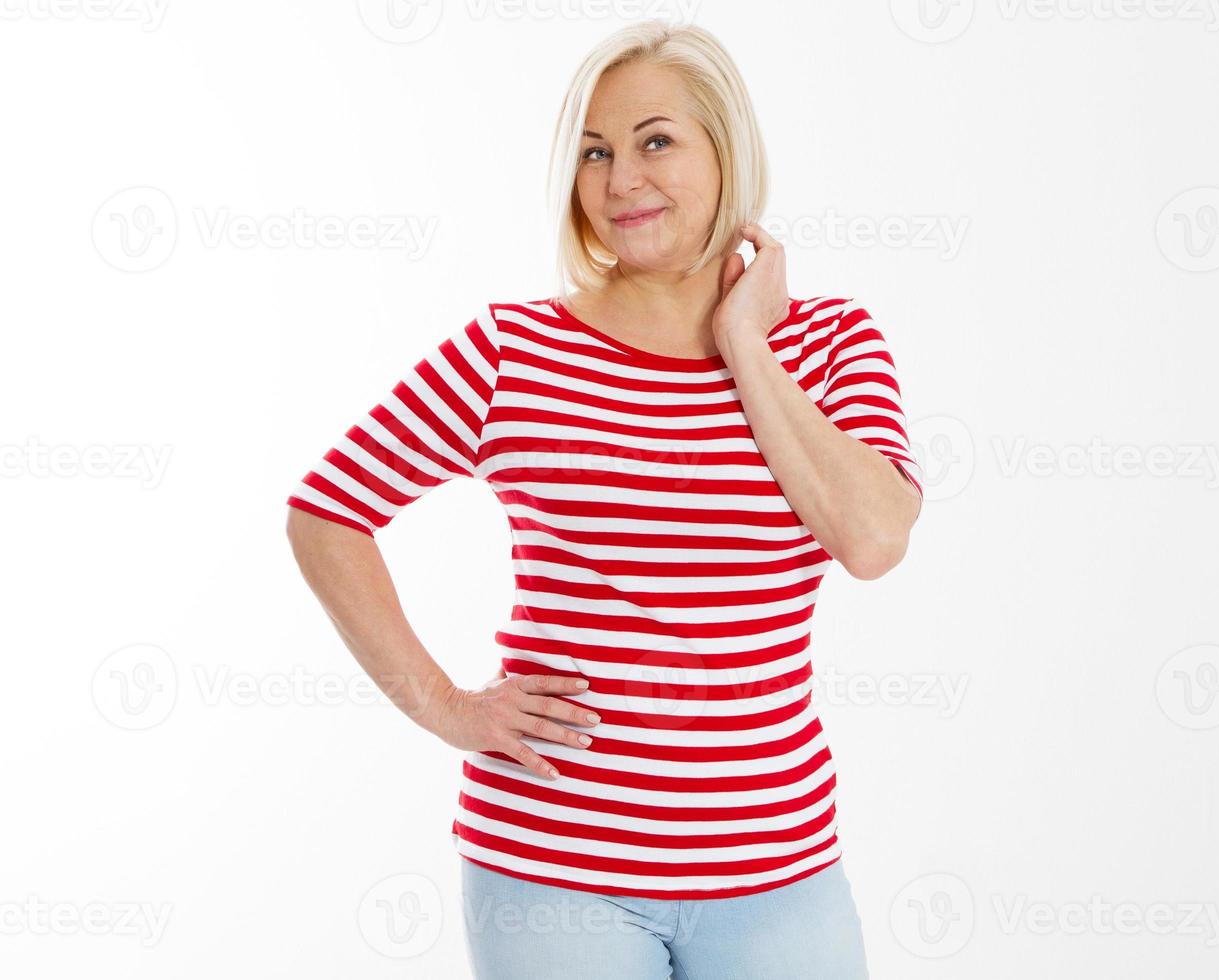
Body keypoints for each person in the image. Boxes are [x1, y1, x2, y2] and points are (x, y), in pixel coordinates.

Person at [285, 19, 923, 979]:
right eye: (594, 151)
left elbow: (873, 539)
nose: (620, 180)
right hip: (551, 869)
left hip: (776, 866)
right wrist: (448, 709)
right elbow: (326, 512)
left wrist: (745, 343)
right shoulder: (512, 352)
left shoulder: (830, 344)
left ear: (728, 150)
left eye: (654, 140)